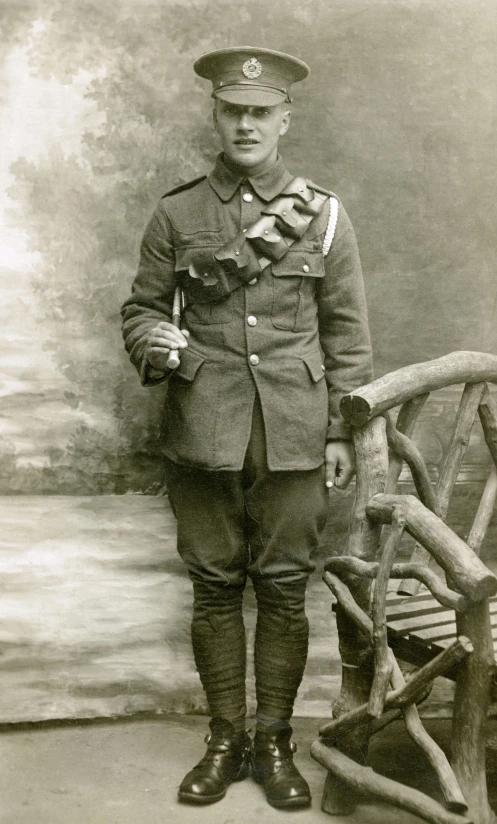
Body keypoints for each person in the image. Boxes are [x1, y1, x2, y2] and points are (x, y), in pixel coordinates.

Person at [121, 46, 373, 810]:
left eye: (261, 113)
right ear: (215, 116)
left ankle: (273, 741)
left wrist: (339, 430)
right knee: (213, 588)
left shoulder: (322, 215)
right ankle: (224, 738)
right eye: (233, 111)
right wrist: (154, 342)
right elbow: (140, 308)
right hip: (202, 424)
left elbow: (347, 335)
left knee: (286, 591)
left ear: (284, 120)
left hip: (296, 432)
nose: (246, 124)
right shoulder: (177, 212)